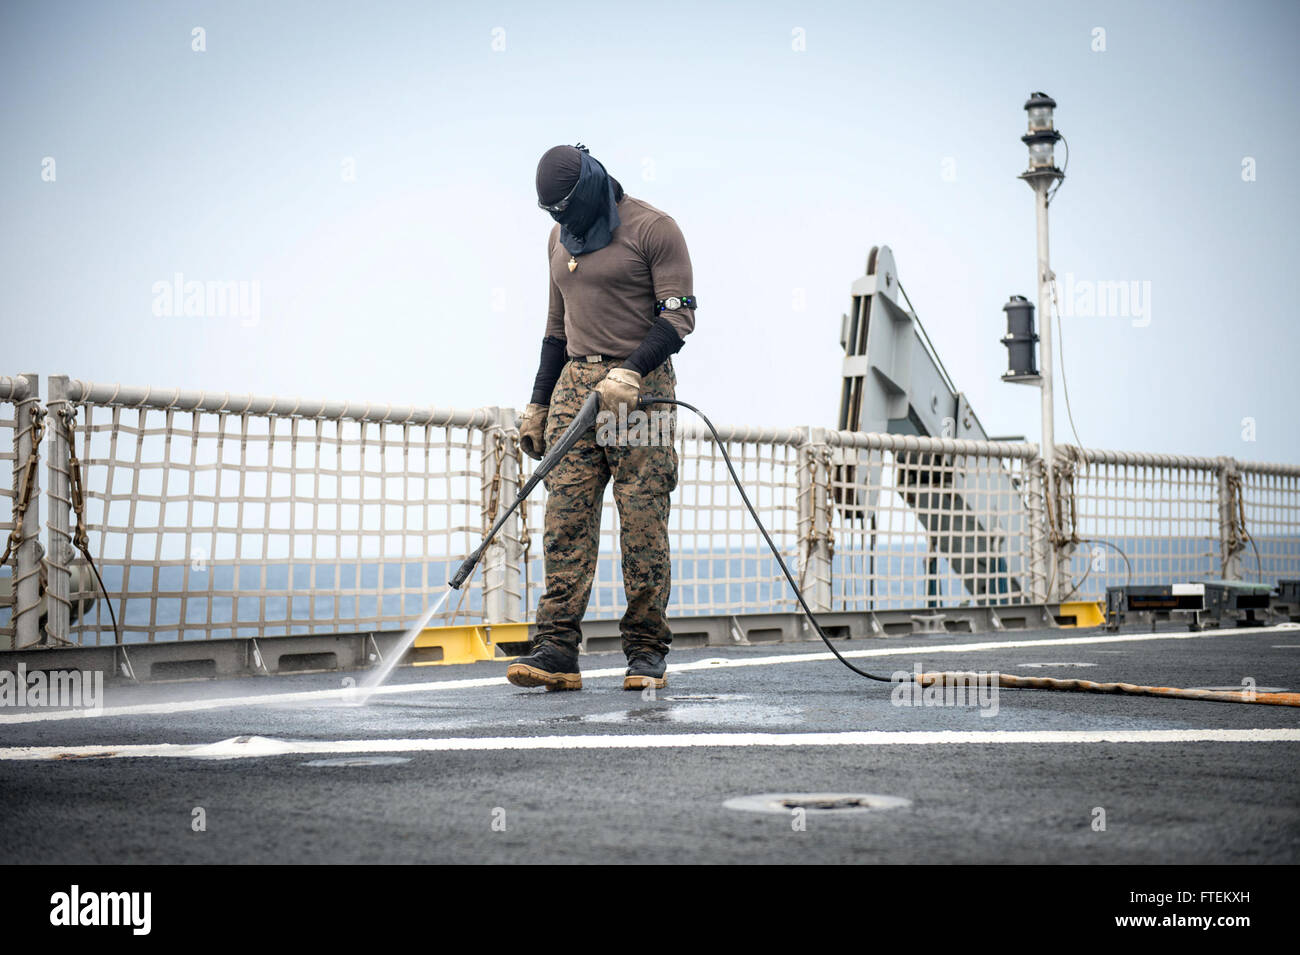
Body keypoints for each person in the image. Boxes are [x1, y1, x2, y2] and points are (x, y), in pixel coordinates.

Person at [506, 143, 697, 692]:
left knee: (641, 521)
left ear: (590, 187)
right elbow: (555, 328)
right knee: (564, 520)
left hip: (641, 388)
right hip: (574, 387)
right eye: (552, 214)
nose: (562, 221)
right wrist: (540, 403)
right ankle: (557, 647)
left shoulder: (654, 229)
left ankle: (644, 651)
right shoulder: (557, 236)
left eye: (567, 207)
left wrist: (632, 371)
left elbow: (677, 317)